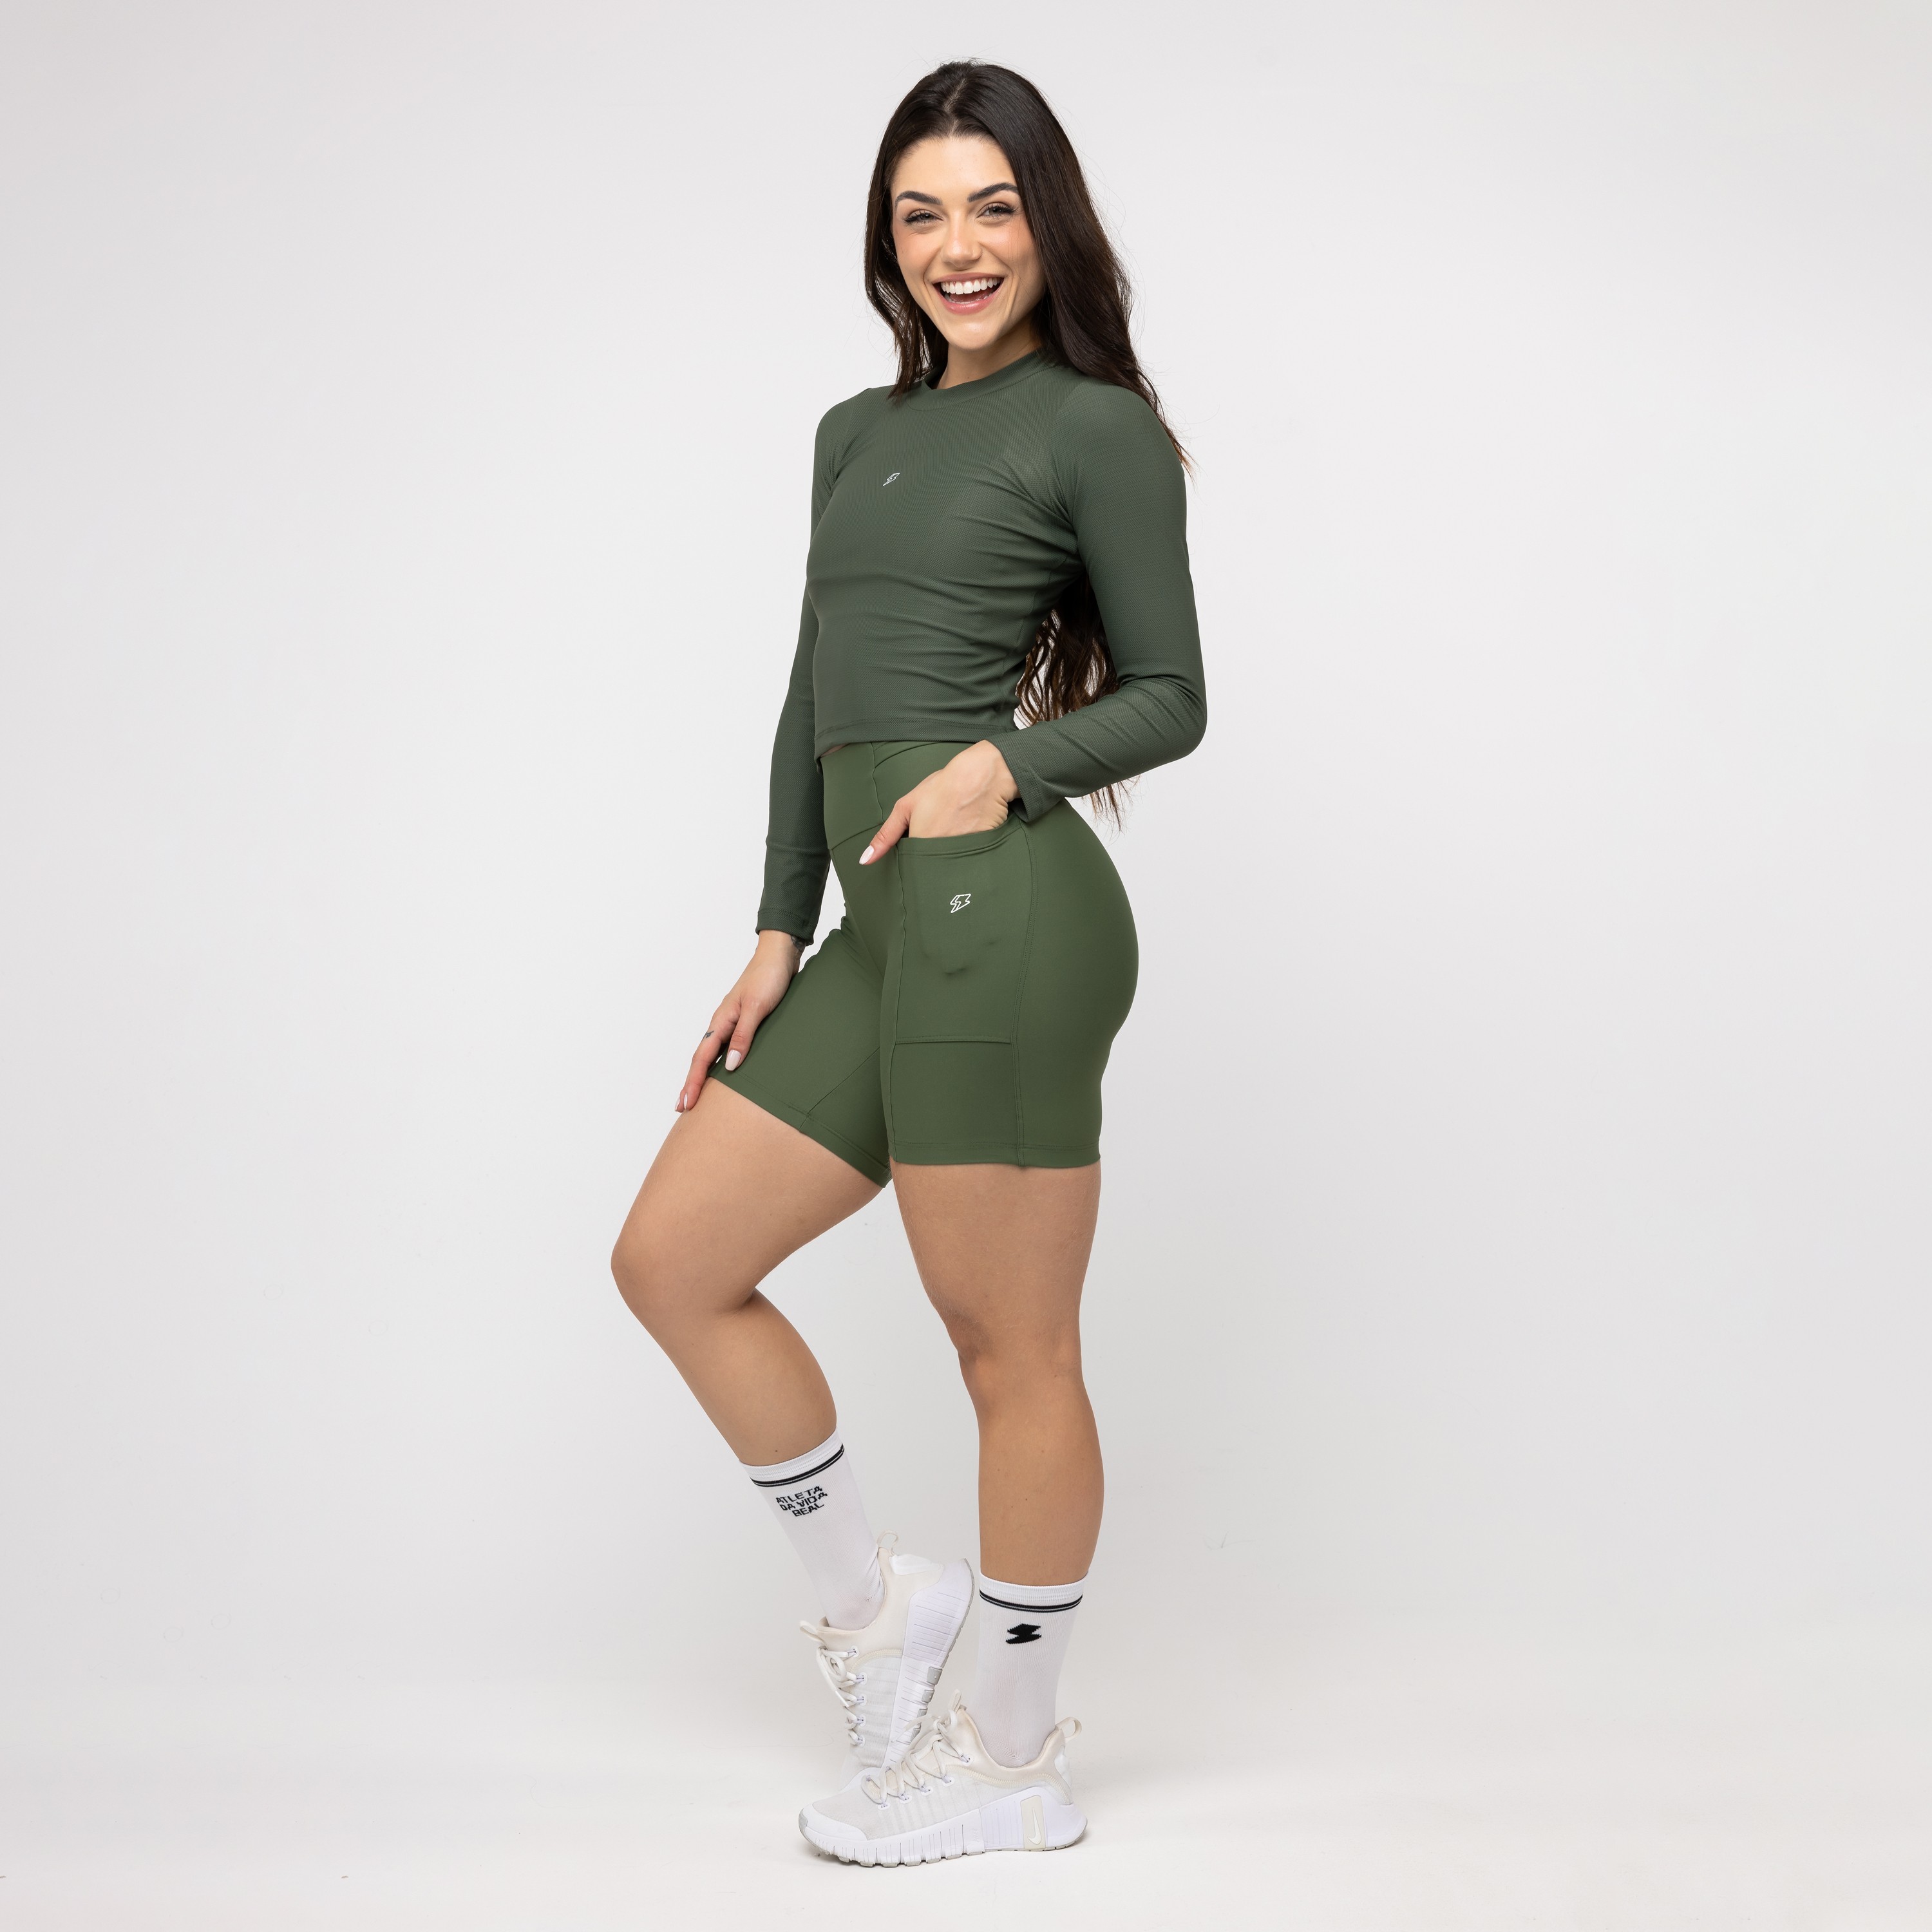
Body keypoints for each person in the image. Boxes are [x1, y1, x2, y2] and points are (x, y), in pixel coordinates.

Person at [611, 57, 1205, 1866]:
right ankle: (881, 1615)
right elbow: (811, 693)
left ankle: (1013, 1763)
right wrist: (777, 929)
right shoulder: (851, 434)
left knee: (1007, 1346)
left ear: (1048, 224)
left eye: (994, 208)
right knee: (674, 1262)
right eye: (921, 212)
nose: (959, 246)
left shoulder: (1094, 428)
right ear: (888, 237)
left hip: (1006, 921)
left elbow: (1173, 696)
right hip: (879, 929)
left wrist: (1002, 765)